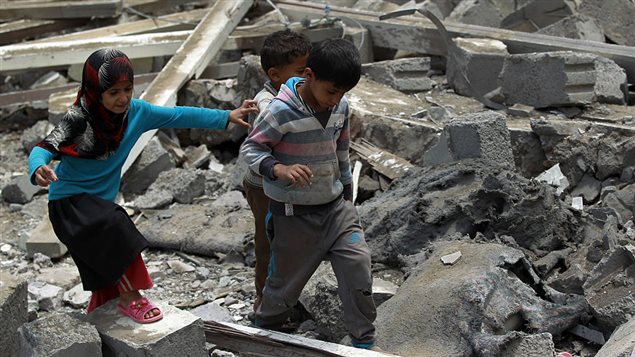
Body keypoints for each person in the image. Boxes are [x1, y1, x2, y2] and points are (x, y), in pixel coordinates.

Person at [29, 48, 258, 324]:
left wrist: (225, 117)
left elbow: (177, 115)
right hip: (68, 204)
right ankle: (133, 298)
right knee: (116, 227)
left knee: (103, 265)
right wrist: (38, 168)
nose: (123, 98)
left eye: (128, 89)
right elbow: (43, 148)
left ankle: (105, 308)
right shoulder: (78, 119)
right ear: (94, 90)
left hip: (99, 204)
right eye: (113, 92)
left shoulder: (136, 113)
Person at [240, 38, 384, 352]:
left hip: (336, 209)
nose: (336, 99)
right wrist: (278, 169)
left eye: (343, 93)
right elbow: (250, 148)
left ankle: (364, 342)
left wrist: (346, 190)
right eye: (331, 91)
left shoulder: (340, 107)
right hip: (294, 215)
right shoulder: (279, 111)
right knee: (283, 289)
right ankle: (261, 331)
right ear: (309, 76)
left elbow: (341, 150)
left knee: (358, 267)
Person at [242, 29, 311, 317]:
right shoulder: (267, 102)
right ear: (275, 74)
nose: (307, 76)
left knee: (292, 242)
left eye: (309, 69)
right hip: (263, 186)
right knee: (267, 244)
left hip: (287, 186)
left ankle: (289, 297)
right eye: (299, 71)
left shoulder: (296, 92)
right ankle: (264, 300)